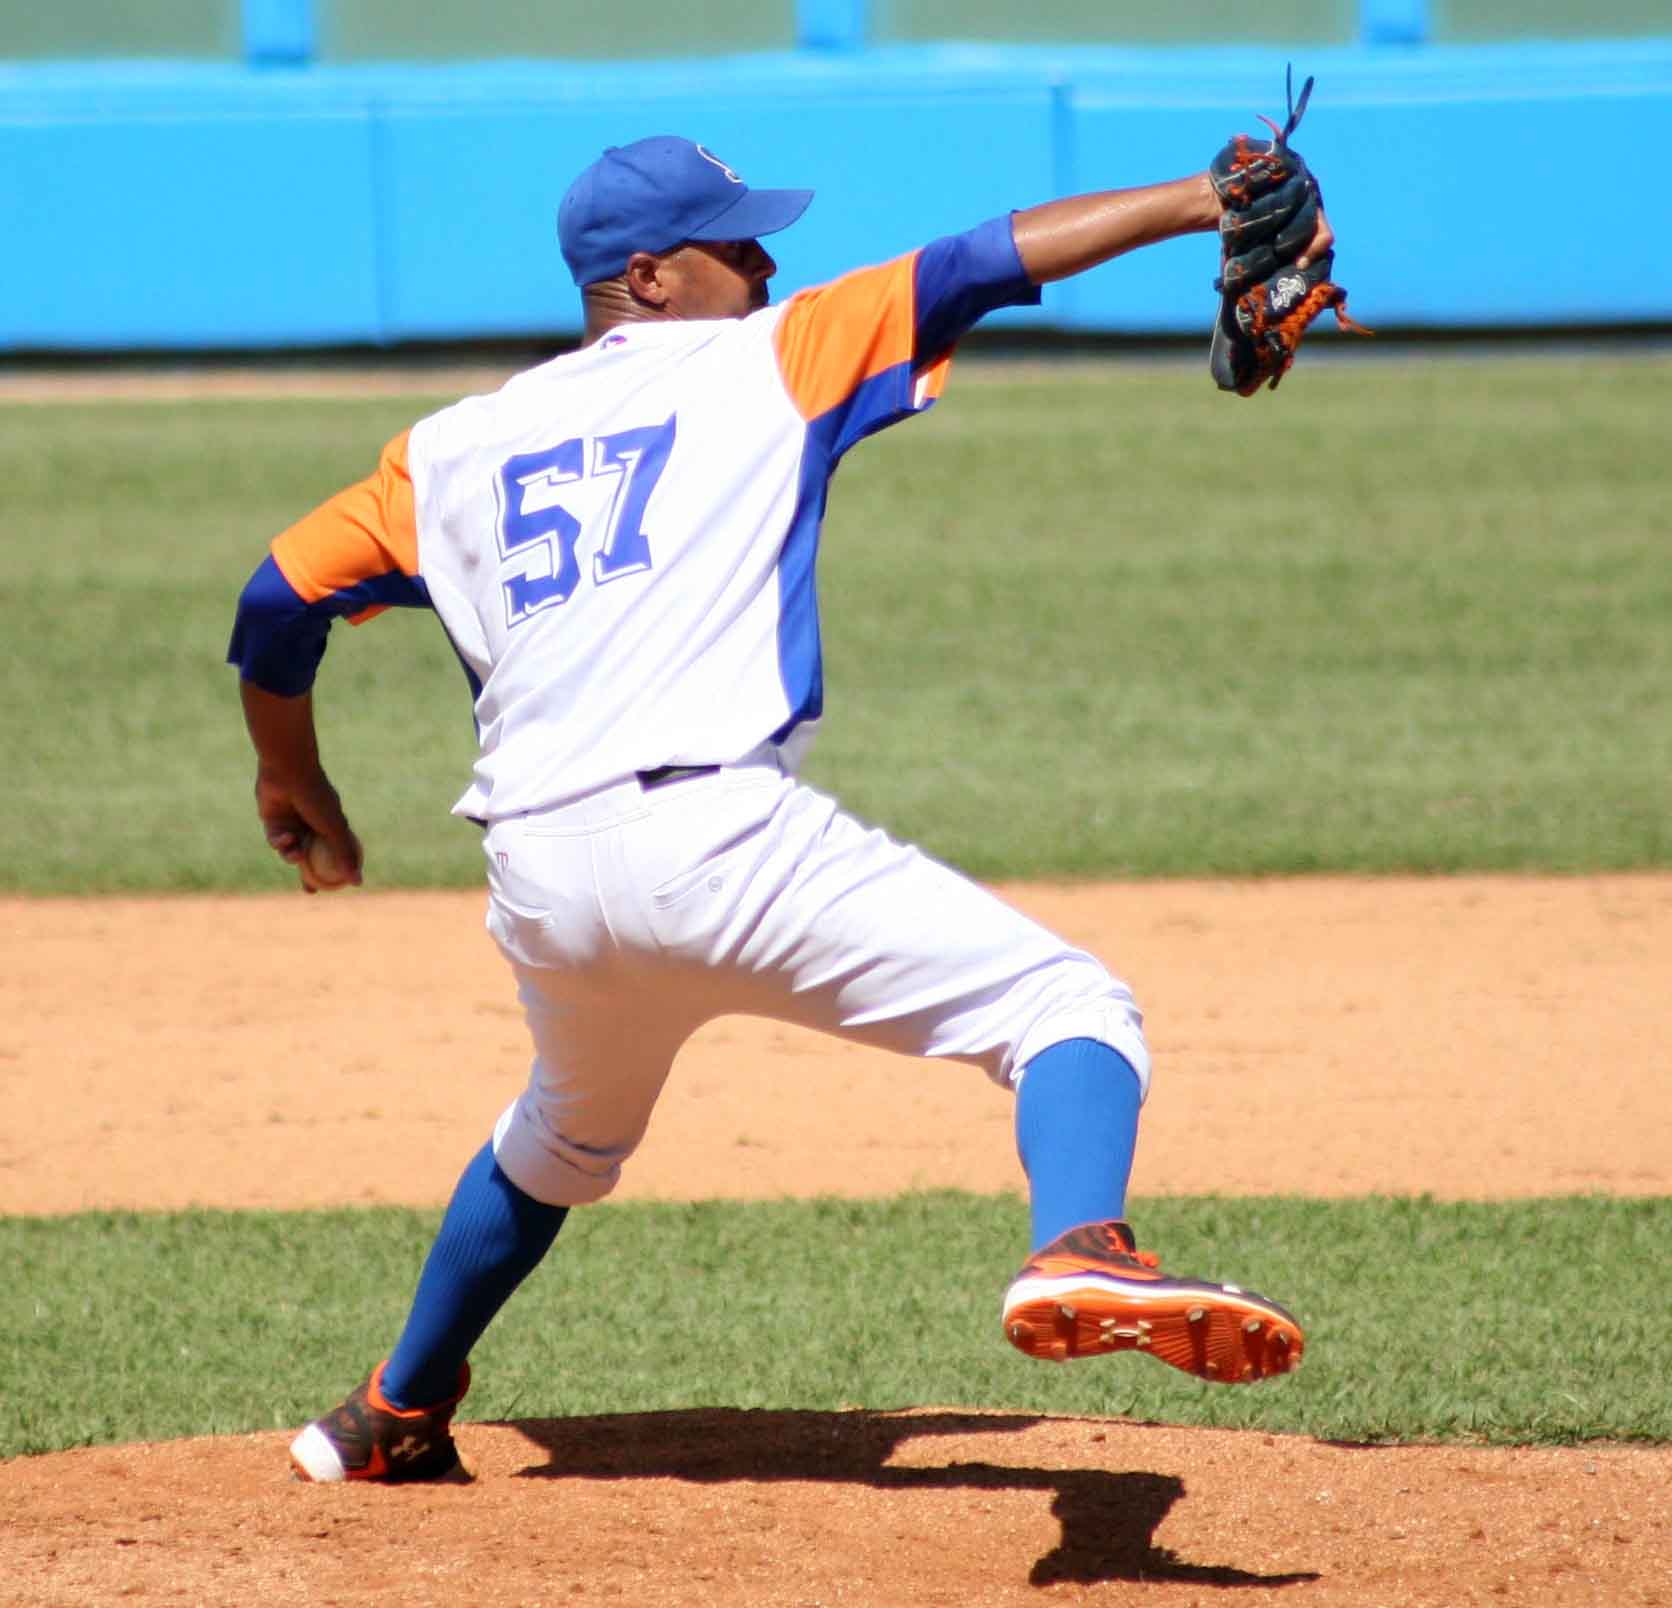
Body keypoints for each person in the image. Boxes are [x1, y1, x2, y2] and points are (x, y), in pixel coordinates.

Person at [229, 134, 1319, 1484]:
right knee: (1070, 1010)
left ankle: (391, 1412)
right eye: (736, 245)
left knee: (560, 1140)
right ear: (649, 276)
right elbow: (985, 258)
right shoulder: (777, 355)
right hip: (723, 842)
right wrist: (1198, 200)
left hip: (543, 882)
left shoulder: (446, 453)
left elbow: (276, 599)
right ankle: (1083, 1243)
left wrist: (296, 782)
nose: (766, 263)